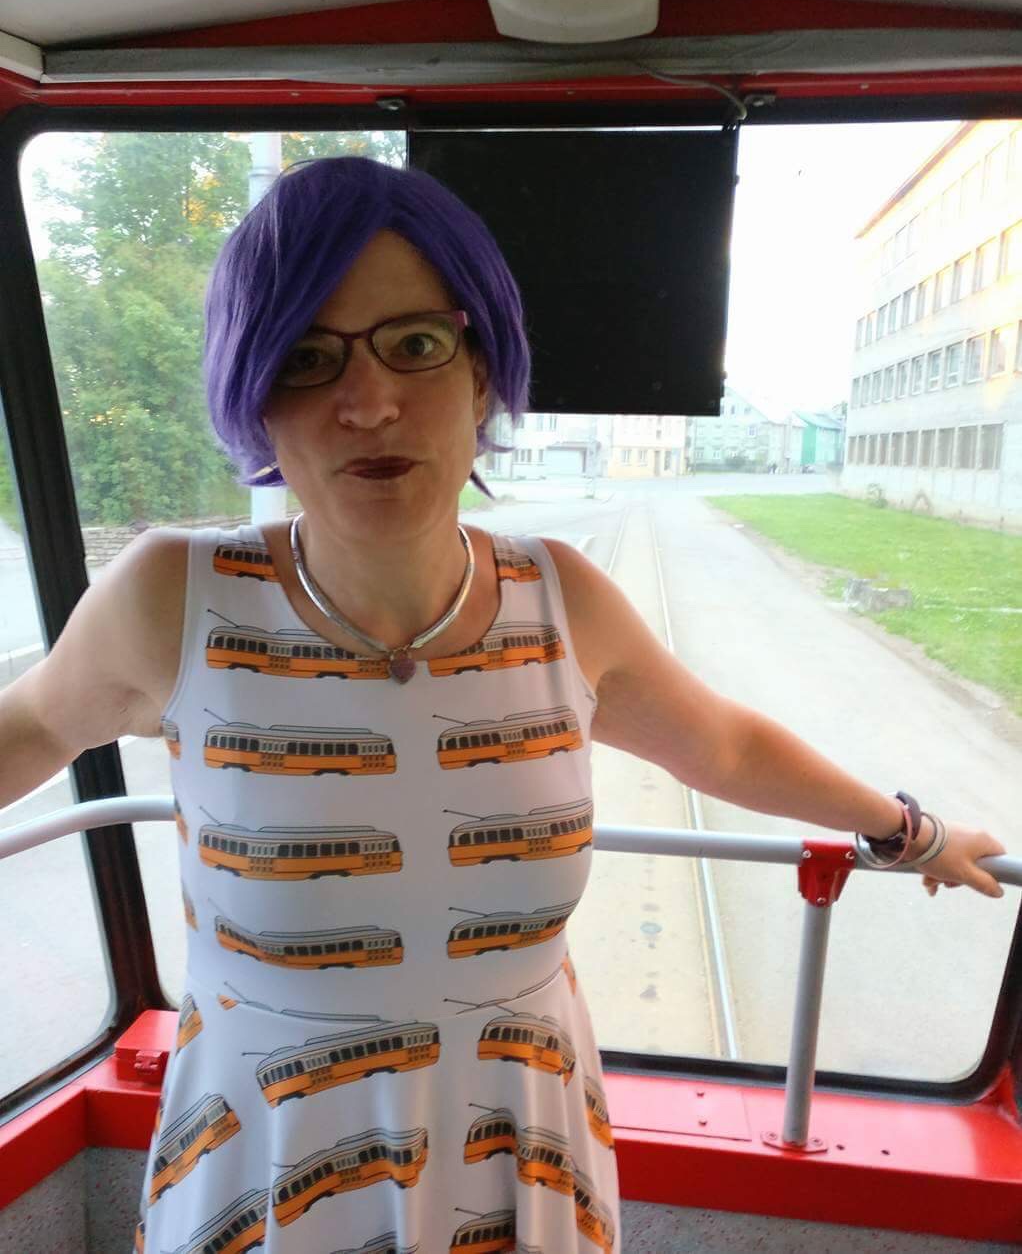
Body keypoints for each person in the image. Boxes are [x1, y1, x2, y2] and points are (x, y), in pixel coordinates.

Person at [0, 157, 1005, 1253]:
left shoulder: (559, 597)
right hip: (266, 1165)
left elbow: (720, 742)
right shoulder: (174, 599)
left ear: (481, 374)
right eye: (306, 358)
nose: (368, 402)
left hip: (520, 1151)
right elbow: (36, 726)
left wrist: (909, 829)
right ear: (256, 398)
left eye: (415, 344)